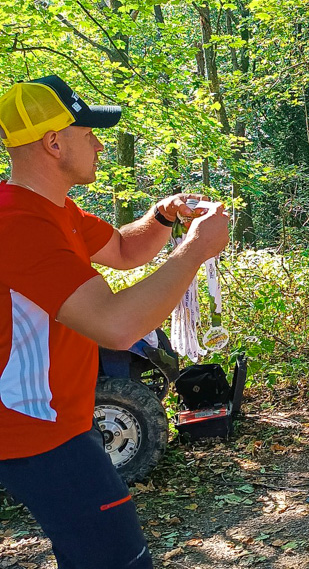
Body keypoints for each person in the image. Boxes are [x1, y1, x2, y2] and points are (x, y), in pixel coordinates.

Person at [0, 75, 229, 568]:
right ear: (53, 142)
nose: (101, 144)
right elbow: (116, 324)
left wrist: (164, 217)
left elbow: (125, 250)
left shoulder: (56, 210)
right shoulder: (18, 224)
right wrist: (196, 249)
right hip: (34, 430)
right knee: (116, 557)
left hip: (61, 421)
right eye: (89, 133)